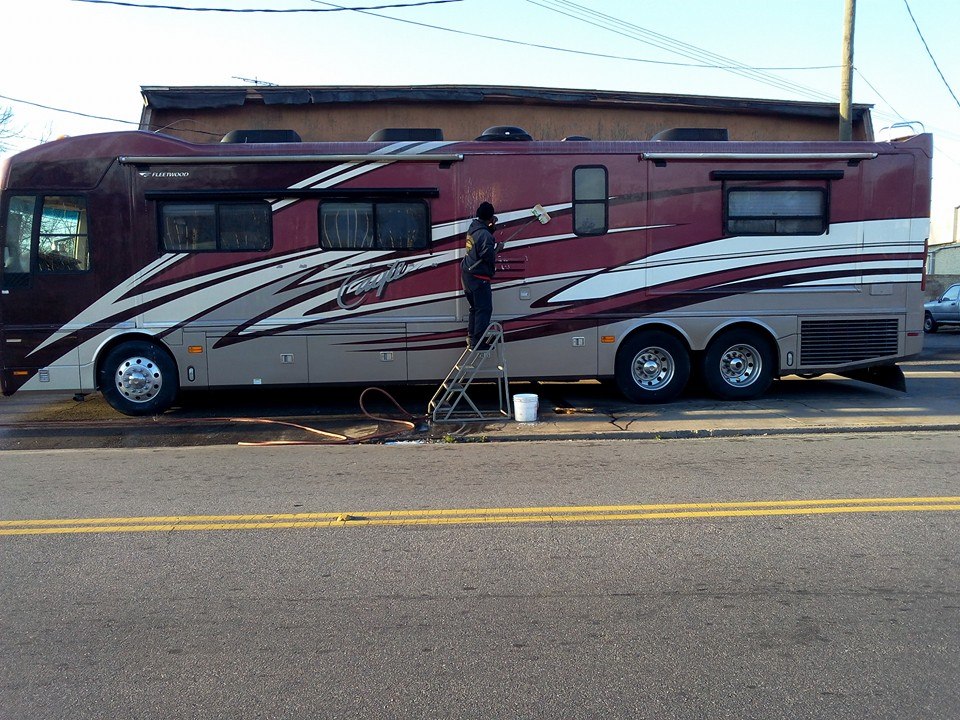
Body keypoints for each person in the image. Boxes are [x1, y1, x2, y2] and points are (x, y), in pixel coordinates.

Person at [461, 201, 499, 350]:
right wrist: (498, 248)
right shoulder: (484, 234)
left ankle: (472, 338)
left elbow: (480, 242)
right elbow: (488, 256)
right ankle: (479, 342)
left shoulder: (473, 228)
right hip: (479, 278)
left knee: (474, 308)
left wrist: (491, 227)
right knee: (484, 309)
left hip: (467, 275)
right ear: (490, 217)